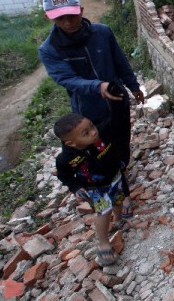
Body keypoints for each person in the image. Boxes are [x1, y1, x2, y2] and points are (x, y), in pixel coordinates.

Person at [38, 0, 144, 218]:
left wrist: (133, 86)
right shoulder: (49, 50)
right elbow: (66, 79)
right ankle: (107, 190)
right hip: (88, 110)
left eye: (72, 16)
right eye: (60, 18)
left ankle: (122, 170)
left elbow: (120, 61)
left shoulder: (102, 33)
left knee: (121, 136)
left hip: (116, 99)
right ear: (51, 18)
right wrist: (97, 87)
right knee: (96, 149)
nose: (67, 22)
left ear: (81, 11)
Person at [54, 112, 128, 266]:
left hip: (114, 177)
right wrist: (75, 187)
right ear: (71, 143)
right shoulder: (66, 159)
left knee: (118, 200)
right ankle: (103, 242)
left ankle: (119, 219)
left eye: (92, 126)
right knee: (103, 211)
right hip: (94, 188)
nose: (94, 132)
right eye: (86, 133)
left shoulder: (100, 138)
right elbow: (64, 176)